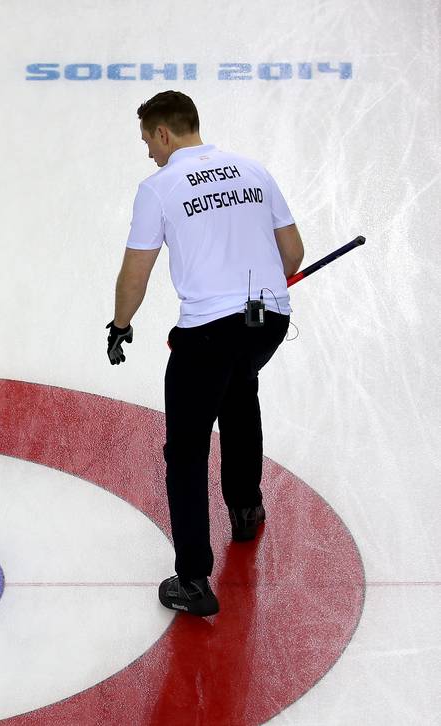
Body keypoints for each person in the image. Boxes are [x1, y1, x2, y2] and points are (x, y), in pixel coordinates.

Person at [107, 90, 304, 616]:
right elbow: (294, 254)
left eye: (148, 139)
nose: (148, 151)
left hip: (208, 330)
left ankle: (193, 578)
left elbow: (135, 272)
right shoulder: (254, 170)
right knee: (240, 392)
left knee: (187, 450)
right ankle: (245, 507)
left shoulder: (160, 186)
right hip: (267, 320)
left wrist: (121, 324)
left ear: (164, 132)